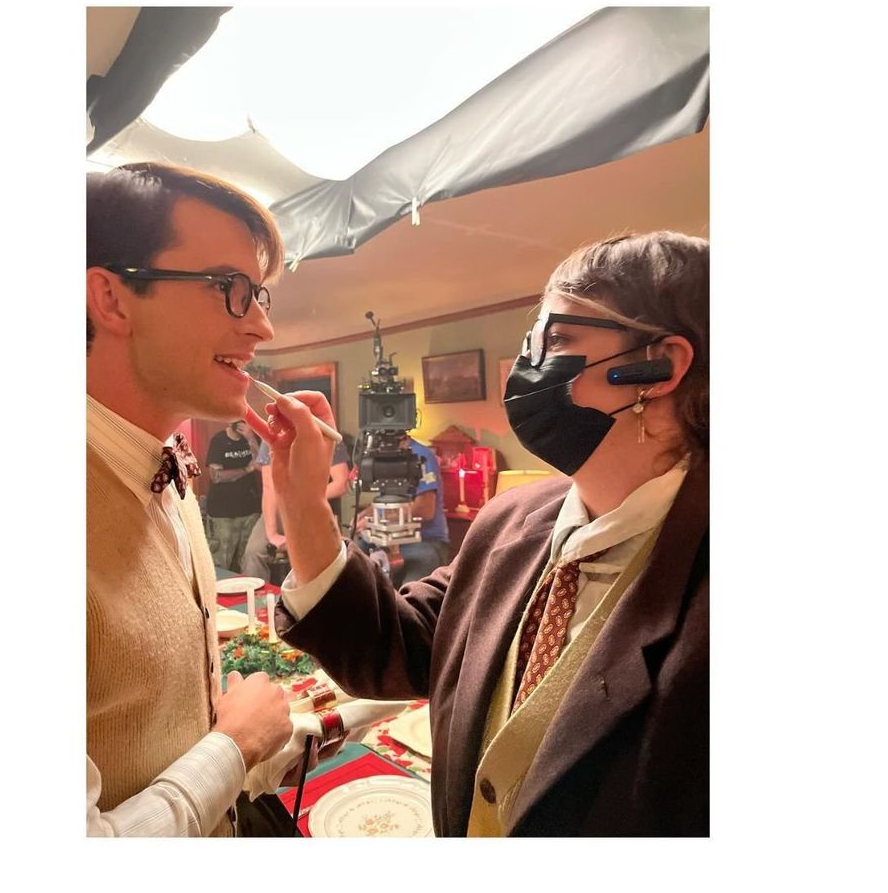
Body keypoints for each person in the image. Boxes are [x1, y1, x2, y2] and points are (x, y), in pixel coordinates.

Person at [264, 230, 709, 836]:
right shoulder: (509, 520)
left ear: (661, 365)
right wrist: (303, 501)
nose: (528, 368)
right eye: (531, 344)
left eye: (557, 340)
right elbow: (397, 648)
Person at [86, 161, 298, 836]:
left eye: (260, 296)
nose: (262, 329)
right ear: (112, 299)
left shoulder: (165, 469)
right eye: (228, 288)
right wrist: (235, 748)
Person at [240, 436, 350, 582]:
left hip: (315, 507)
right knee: (253, 553)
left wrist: (303, 498)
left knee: (315, 559)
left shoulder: (326, 434)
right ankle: (257, 595)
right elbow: (269, 486)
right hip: (281, 508)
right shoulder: (272, 435)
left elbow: (341, 483)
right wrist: (272, 533)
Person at [355, 435, 450, 584]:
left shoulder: (421, 455)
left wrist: (376, 521)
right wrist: (365, 515)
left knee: (419, 566)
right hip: (389, 542)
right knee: (355, 555)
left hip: (424, 541)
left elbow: (425, 509)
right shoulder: (383, 456)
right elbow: (387, 501)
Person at [205, 419, 262, 572]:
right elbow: (216, 476)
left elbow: (261, 464)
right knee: (221, 561)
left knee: (248, 562)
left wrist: (250, 438)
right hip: (223, 512)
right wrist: (246, 470)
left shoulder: (251, 439)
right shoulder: (219, 441)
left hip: (250, 510)